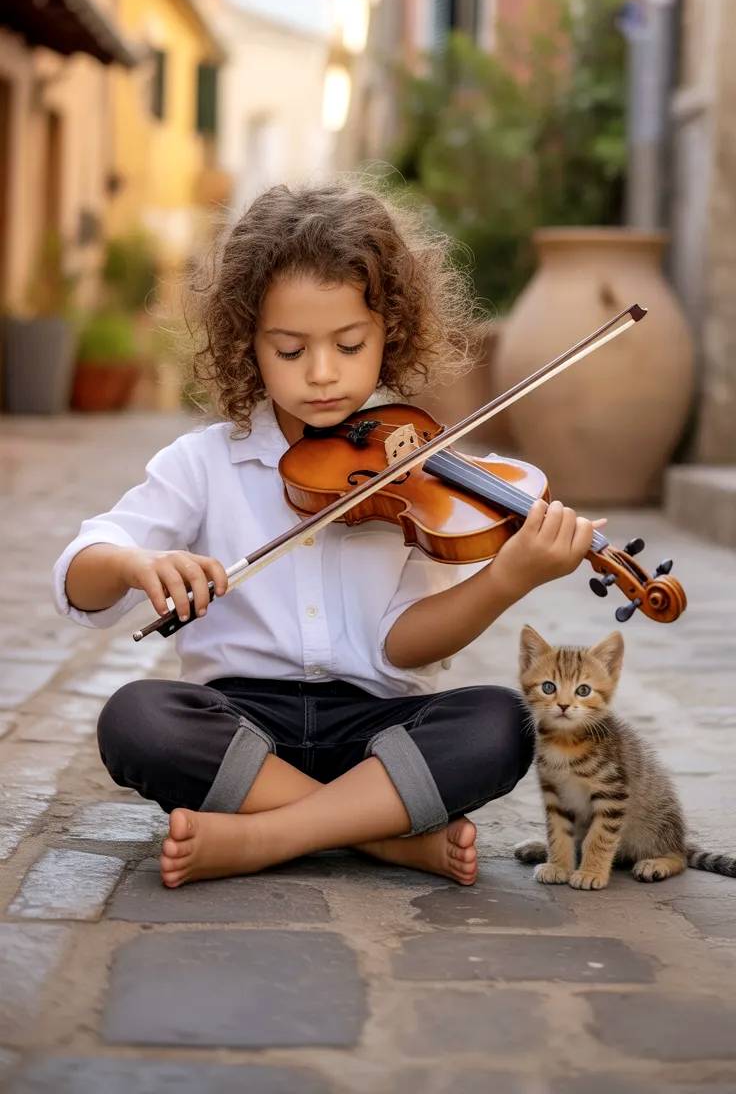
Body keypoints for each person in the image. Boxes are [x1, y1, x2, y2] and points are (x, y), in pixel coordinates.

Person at [52, 181, 604, 889]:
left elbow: (403, 646)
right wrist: (135, 564)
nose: (321, 374)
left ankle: (266, 838)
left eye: (349, 345)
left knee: (500, 725)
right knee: (139, 718)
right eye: (290, 350)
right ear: (246, 343)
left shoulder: (420, 466)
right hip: (243, 725)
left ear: (389, 335)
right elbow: (79, 572)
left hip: (377, 731)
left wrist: (507, 579)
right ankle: (382, 839)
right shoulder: (204, 462)